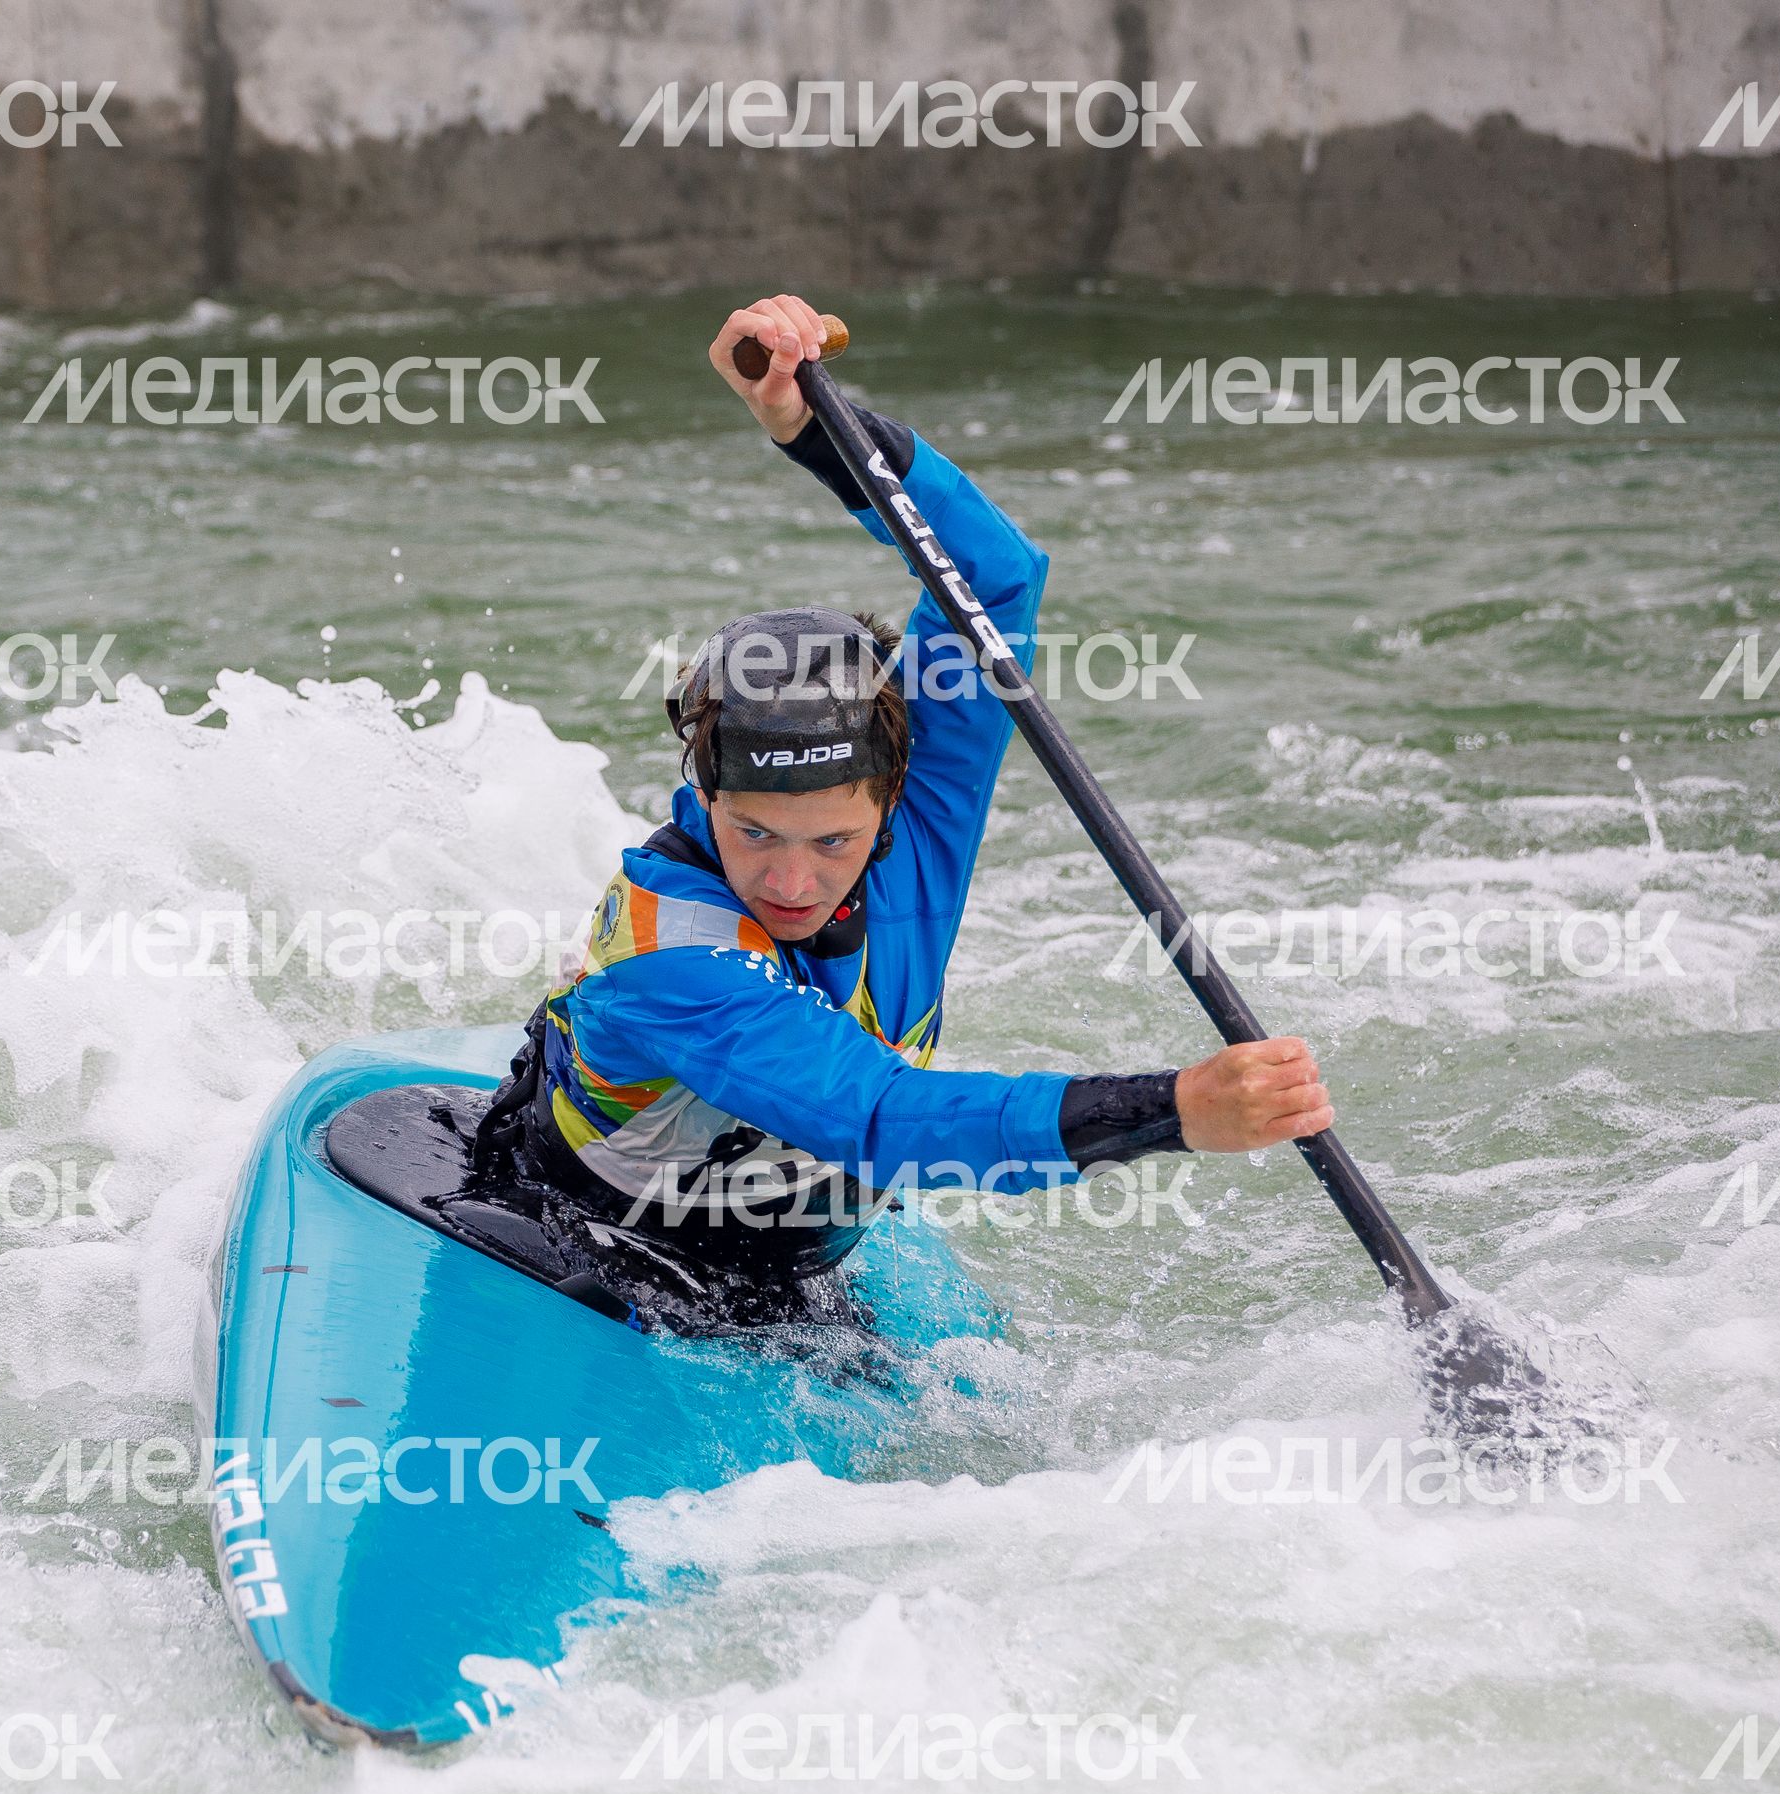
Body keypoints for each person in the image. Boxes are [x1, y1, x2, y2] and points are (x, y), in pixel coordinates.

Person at [468, 293, 1334, 1330]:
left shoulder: (923, 810)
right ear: (706, 792)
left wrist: (815, 431)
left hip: (793, 1262)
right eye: (754, 834)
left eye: (834, 840)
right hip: (584, 1238)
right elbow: (877, 1117)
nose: (792, 882)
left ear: (891, 799)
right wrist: (1174, 1110)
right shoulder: (672, 954)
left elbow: (992, 579)